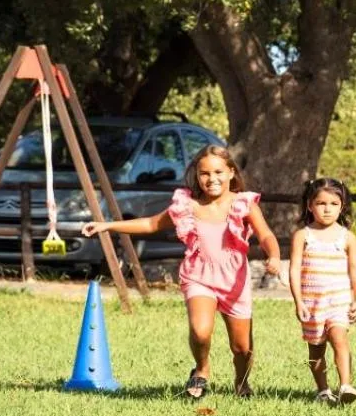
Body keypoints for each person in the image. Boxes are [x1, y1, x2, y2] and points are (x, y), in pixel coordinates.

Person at [82, 145, 281, 399]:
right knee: (200, 331)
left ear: (231, 173)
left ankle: (242, 383)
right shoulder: (187, 205)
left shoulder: (243, 204)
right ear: (197, 176)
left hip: (234, 281)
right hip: (198, 276)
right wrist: (106, 225)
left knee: (242, 347)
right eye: (204, 173)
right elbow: (151, 223)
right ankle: (202, 369)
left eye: (218, 172)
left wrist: (273, 255)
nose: (212, 179)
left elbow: (265, 235)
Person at [289, 177, 356, 406]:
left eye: (333, 203)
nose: (327, 209)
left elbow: (355, 269)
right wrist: (298, 301)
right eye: (321, 203)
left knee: (339, 338)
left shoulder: (347, 237)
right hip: (312, 303)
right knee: (316, 350)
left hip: (338, 301)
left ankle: (345, 386)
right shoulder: (303, 236)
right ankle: (323, 390)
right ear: (310, 205)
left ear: (342, 206)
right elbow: (293, 269)